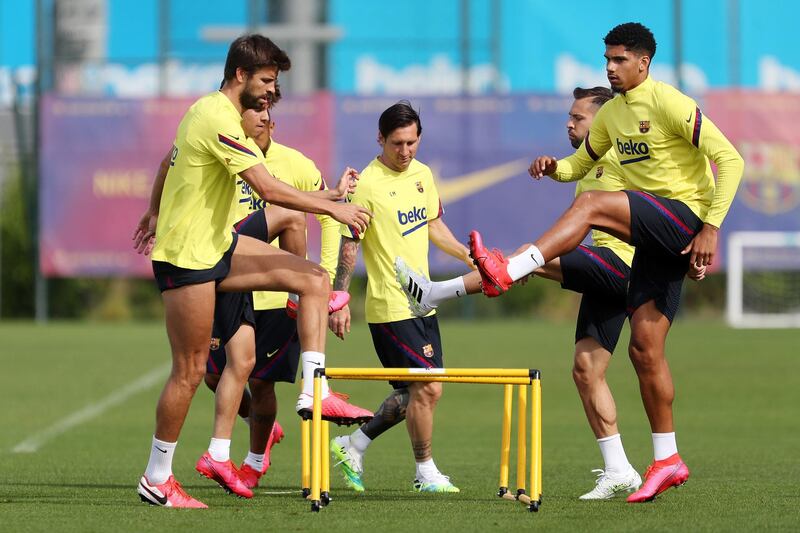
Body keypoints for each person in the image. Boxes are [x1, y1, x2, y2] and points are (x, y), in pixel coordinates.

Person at [468, 22, 742, 503]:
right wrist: (555, 167)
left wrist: (711, 227)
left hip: (684, 216)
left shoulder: (669, 103)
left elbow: (730, 159)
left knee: (594, 202)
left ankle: (511, 268)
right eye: (607, 60)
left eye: (619, 60)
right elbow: (580, 165)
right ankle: (667, 459)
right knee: (644, 350)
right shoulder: (613, 115)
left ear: (644, 62)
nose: (610, 69)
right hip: (655, 240)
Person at [131, 34, 372, 508]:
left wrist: (332, 200)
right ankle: (156, 477)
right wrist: (338, 211)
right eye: (265, 81)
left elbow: (173, 162)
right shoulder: (215, 116)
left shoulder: (224, 118)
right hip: (187, 258)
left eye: (274, 82)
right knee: (191, 370)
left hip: (218, 246)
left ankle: (314, 391)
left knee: (313, 279)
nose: (269, 93)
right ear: (240, 75)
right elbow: (265, 186)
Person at [397, 86, 654, 499]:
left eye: (578, 118)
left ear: (604, 123)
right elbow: (571, 172)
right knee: (586, 371)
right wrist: (554, 167)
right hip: (603, 271)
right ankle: (619, 469)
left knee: (521, 258)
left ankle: (434, 294)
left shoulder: (624, 155)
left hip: (625, 268)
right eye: (568, 117)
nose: (569, 123)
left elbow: (661, 196)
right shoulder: (587, 161)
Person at [203, 101, 370, 492]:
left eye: (264, 114)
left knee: (261, 384)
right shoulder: (225, 155)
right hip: (230, 277)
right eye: (251, 113)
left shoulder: (296, 164)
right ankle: (261, 427)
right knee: (212, 375)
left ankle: (254, 463)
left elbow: (331, 217)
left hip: (275, 297)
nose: (258, 120)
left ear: (273, 124)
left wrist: (326, 283)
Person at [327, 101, 474, 494]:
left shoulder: (423, 174)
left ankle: (352, 444)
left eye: (411, 142)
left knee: (414, 393)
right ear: (380, 138)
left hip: (423, 302)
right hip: (390, 306)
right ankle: (425, 472)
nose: (405, 151)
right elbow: (349, 245)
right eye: (396, 143)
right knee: (429, 389)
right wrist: (339, 298)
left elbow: (433, 225)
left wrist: (469, 255)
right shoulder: (367, 185)